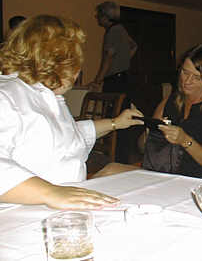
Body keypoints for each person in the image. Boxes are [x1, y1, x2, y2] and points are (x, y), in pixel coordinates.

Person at [0, 15, 143, 210]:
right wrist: (50, 192)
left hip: (68, 199)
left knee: (131, 177)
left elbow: (65, 139)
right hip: (22, 212)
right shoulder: (6, 95)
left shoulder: (48, 96)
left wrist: (116, 123)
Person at [138, 45, 202, 178]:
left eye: (196, 77)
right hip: (160, 174)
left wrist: (185, 140)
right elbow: (142, 148)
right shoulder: (169, 101)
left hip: (194, 181)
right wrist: (149, 131)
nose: (187, 81)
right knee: (109, 170)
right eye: (185, 72)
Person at [89, 1, 138, 163]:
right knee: (122, 116)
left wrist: (98, 80)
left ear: (105, 16)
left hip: (115, 81)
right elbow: (134, 46)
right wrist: (124, 62)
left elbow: (108, 58)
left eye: (98, 16)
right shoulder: (122, 29)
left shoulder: (112, 32)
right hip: (125, 78)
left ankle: (115, 157)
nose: (97, 19)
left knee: (115, 118)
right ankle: (121, 157)